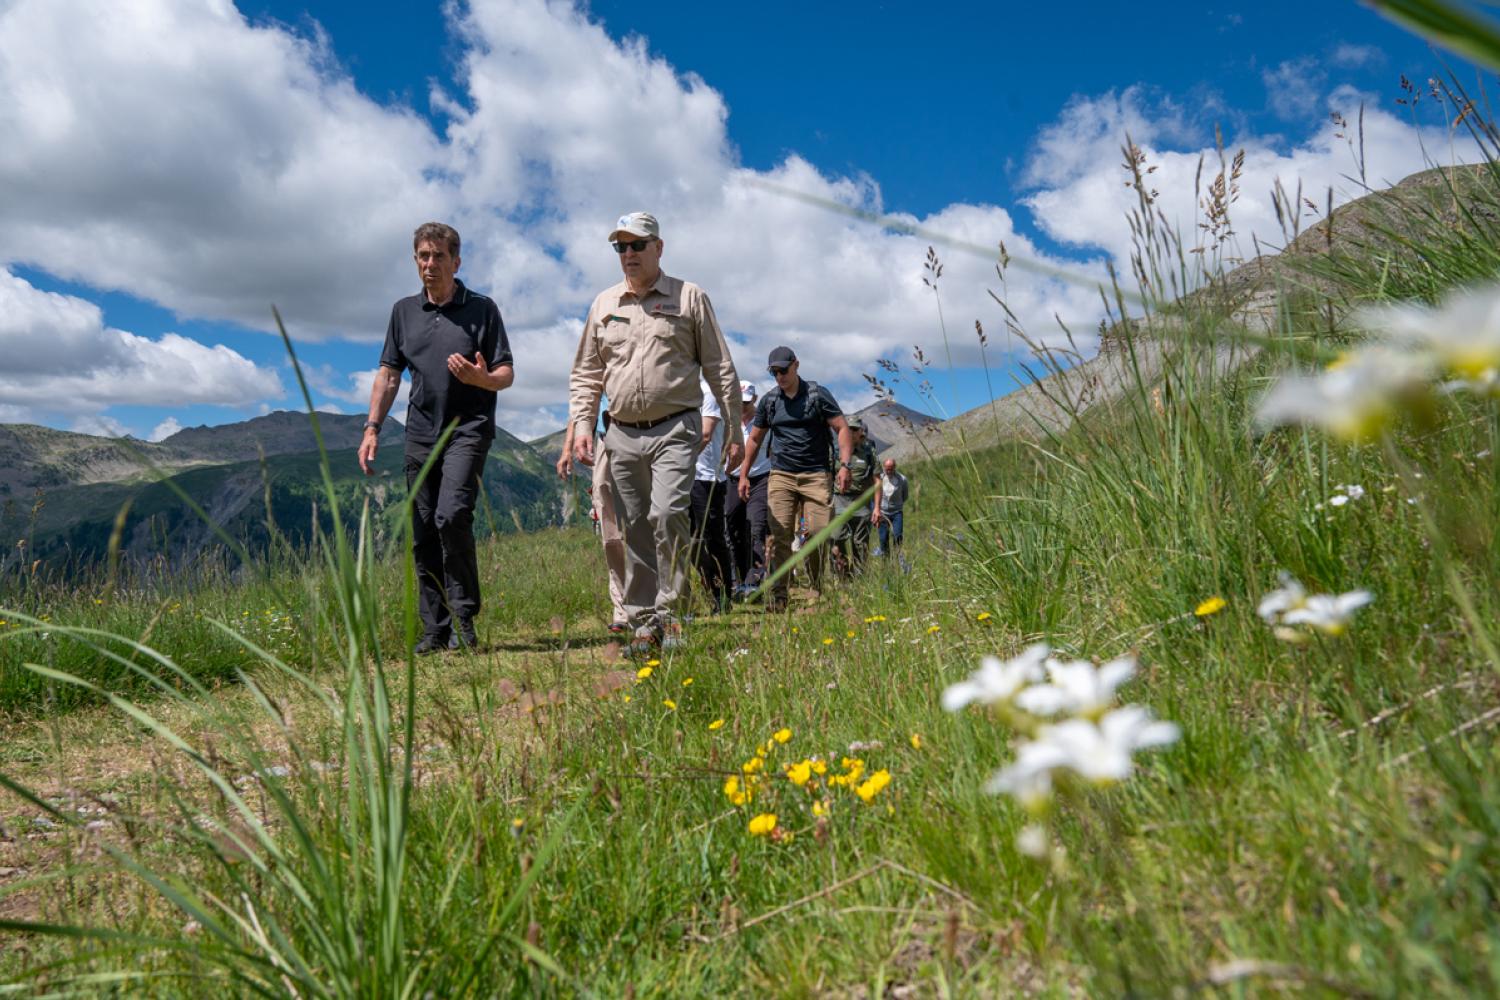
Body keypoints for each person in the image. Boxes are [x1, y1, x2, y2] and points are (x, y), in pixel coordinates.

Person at [568, 212, 742, 654]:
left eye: (636, 246)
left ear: (658, 248)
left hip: (676, 428)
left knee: (667, 516)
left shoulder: (690, 297)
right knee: (636, 529)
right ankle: (644, 624)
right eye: (620, 247)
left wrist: (735, 428)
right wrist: (583, 425)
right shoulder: (604, 304)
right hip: (621, 432)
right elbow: (587, 373)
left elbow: (719, 367)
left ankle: (675, 617)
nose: (627, 255)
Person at [360, 222, 513, 654]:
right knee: (423, 529)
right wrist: (372, 428)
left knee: (451, 516)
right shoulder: (403, 312)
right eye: (423, 256)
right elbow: (389, 374)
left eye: (438, 256)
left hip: (467, 428)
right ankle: (435, 629)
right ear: (415, 261)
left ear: (456, 261)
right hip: (420, 433)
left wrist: (483, 378)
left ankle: (464, 619)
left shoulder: (482, 310)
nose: (430, 264)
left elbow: (506, 374)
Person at [738, 346, 852, 612]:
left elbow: (842, 428)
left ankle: (816, 587)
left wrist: (845, 465)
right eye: (774, 372)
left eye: (783, 370)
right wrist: (743, 474)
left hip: (816, 475)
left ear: (796, 365)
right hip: (781, 476)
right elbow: (754, 439)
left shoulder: (817, 396)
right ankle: (779, 595)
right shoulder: (769, 401)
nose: (779, 376)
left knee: (816, 534)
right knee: (780, 535)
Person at [557, 419, 628, 635]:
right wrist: (568, 447)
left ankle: (662, 603)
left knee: (653, 521)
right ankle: (623, 607)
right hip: (607, 436)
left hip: (650, 432)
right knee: (610, 528)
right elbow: (583, 400)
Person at [689, 377, 734, 614]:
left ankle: (724, 595)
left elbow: (706, 435)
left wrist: (676, 461)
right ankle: (709, 590)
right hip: (682, 477)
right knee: (689, 542)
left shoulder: (708, 392)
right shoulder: (678, 391)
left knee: (712, 539)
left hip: (707, 478)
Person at [725, 380, 769, 597]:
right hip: (732, 480)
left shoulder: (765, 423)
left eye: (746, 402)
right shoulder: (727, 422)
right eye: (738, 401)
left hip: (761, 478)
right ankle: (737, 579)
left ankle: (754, 581)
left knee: (756, 526)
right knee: (732, 528)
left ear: (755, 399)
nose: (742, 406)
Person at [830, 415, 879, 574]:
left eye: (854, 429)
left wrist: (877, 507)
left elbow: (877, 481)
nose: (850, 432)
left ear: (860, 432)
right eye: (848, 428)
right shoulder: (835, 451)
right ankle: (842, 576)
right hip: (839, 502)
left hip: (861, 503)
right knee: (837, 538)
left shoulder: (869, 452)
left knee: (860, 543)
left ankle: (860, 579)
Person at [873, 457, 909, 557]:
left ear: (895, 467)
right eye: (887, 468)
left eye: (891, 468)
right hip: (883, 513)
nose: (889, 471)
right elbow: (875, 494)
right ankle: (885, 559)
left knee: (897, 535)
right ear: (884, 467)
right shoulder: (879, 479)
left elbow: (905, 496)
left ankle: (897, 557)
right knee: (883, 538)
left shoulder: (902, 479)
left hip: (897, 512)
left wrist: (897, 505)